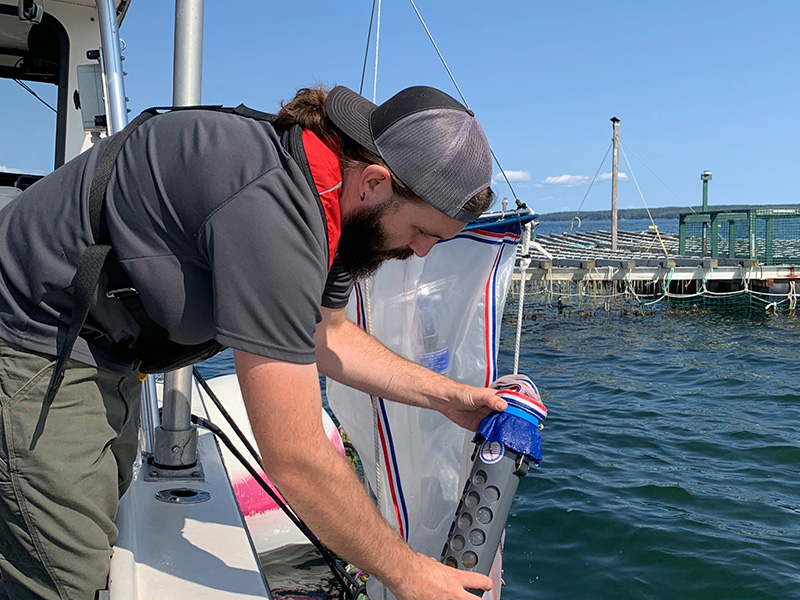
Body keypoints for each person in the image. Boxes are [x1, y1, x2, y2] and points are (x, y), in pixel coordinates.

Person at [0, 84, 508, 600]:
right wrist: (409, 574)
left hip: (109, 350)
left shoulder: (331, 191)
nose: (420, 253)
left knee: (93, 517)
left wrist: (449, 397)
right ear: (375, 182)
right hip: (32, 338)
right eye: (422, 231)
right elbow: (294, 457)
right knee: (62, 578)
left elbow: (326, 334)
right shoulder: (274, 209)